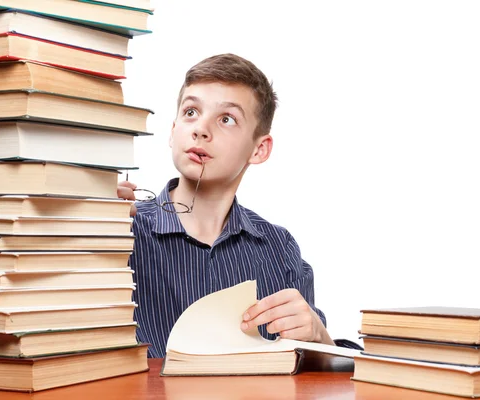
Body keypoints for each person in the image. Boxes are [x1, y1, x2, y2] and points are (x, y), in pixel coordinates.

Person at [118, 53, 335, 358]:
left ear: (259, 149)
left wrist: (321, 341)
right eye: (191, 111)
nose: (201, 129)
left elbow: (314, 375)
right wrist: (81, 224)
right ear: (172, 130)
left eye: (226, 119)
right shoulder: (120, 228)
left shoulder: (279, 248)